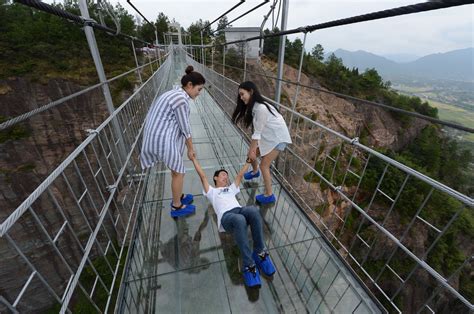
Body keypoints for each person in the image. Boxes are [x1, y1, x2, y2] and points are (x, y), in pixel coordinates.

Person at [190, 156, 277, 288]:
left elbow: (240, 175)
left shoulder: (231, 188)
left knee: (253, 211)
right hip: (227, 217)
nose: (226, 177)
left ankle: (260, 252)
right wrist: (194, 159)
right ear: (215, 178)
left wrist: (248, 161)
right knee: (239, 219)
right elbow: (202, 176)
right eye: (223, 175)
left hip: (239, 210)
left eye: (226, 175)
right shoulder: (212, 191)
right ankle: (248, 264)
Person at [140, 65, 205, 217]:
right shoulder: (181, 100)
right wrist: (190, 148)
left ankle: (179, 195)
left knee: (176, 170)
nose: (199, 93)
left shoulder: (175, 93)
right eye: (199, 89)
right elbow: (185, 127)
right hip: (163, 139)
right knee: (179, 172)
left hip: (157, 135)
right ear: (190, 85)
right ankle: (177, 206)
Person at [232, 81, 292, 204]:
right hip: (269, 137)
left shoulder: (261, 108)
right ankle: (255, 172)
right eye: (240, 95)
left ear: (251, 92)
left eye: (243, 94)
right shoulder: (254, 106)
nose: (241, 97)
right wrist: (252, 149)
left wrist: (253, 149)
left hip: (278, 138)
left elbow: (257, 132)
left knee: (264, 164)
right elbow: (257, 131)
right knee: (251, 153)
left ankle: (269, 195)